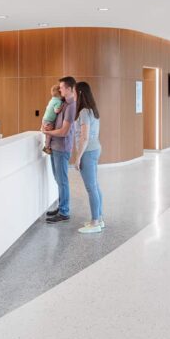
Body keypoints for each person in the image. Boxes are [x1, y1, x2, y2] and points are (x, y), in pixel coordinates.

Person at [42, 76, 77, 224]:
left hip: (61, 148)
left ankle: (64, 212)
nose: (60, 89)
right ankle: (61, 206)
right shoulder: (63, 103)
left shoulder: (70, 107)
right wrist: (49, 128)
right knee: (58, 179)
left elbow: (64, 132)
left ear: (69, 89)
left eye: (62, 87)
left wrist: (47, 132)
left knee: (62, 181)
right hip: (56, 146)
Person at [72, 81, 104, 234]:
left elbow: (84, 137)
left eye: (74, 91)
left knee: (91, 188)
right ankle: (99, 218)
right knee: (95, 186)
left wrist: (78, 157)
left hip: (88, 151)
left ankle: (95, 222)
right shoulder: (92, 110)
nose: (72, 94)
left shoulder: (84, 112)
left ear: (79, 93)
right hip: (95, 148)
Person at [41, 84, 64, 154]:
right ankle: (46, 147)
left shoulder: (51, 100)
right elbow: (56, 111)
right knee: (49, 135)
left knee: (47, 133)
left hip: (45, 119)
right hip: (49, 121)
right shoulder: (59, 102)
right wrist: (62, 107)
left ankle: (47, 146)